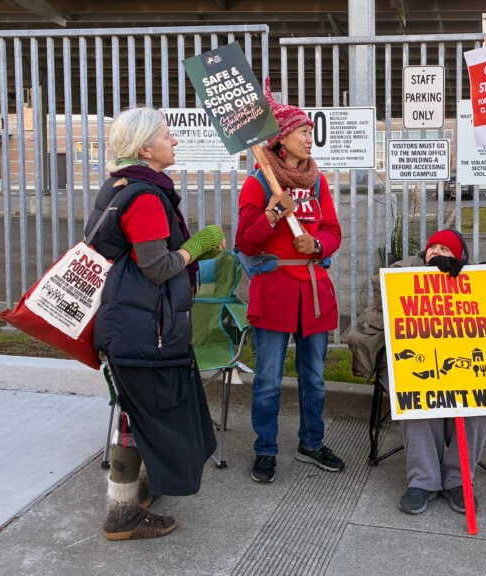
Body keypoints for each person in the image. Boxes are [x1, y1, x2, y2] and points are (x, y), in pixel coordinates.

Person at [87, 107, 224, 540]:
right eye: (168, 136)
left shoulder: (121, 185)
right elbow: (158, 266)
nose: (175, 142)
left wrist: (191, 252)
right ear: (146, 148)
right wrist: (196, 247)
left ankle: (138, 492)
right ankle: (121, 515)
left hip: (132, 324)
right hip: (144, 331)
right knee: (140, 421)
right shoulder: (145, 197)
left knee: (138, 416)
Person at [347, 229, 486, 515]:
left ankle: (458, 479)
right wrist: (425, 275)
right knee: (417, 392)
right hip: (409, 359)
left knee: (482, 400)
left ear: (460, 258)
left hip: (461, 363)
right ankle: (424, 480)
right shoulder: (404, 270)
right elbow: (381, 291)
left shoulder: (475, 276)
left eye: (446, 250)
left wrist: (465, 279)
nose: (437, 253)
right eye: (433, 248)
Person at [236, 78, 344, 484]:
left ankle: (311, 443)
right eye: (302, 131)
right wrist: (270, 216)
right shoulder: (259, 182)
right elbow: (245, 240)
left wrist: (315, 242)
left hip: (314, 291)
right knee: (267, 380)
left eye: (310, 131)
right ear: (281, 139)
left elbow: (334, 231)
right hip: (276, 290)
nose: (309, 137)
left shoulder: (317, 181)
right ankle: (265, 449)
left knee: (314, 376)